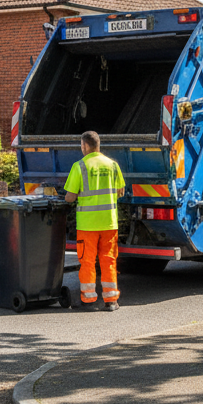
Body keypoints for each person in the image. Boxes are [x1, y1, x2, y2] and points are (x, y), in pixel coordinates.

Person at [64, 130, 126, 311]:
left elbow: (70, 197)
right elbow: (120, 191)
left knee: (88, 262)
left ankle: (89, 301)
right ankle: (111, 301)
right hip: (109, 223)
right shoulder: (113, 165)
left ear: (84, 146)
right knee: (109, 260)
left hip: (88, 224)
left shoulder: (80, 166)